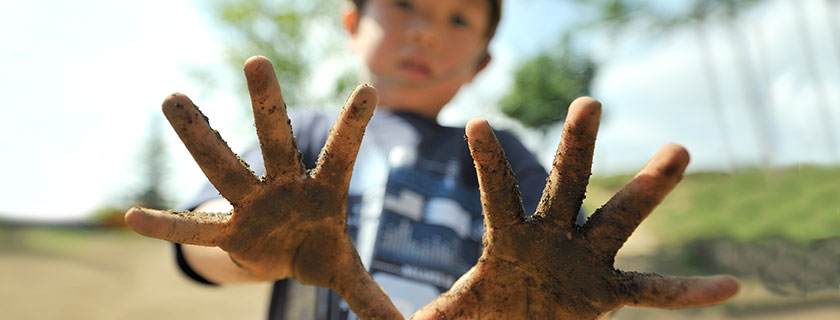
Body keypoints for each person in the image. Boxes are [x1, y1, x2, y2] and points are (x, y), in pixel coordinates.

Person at [125, 0, 739, 319]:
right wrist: (241, 247)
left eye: (458, 18)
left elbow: (553, 271)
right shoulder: (303, 136)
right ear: (352, 22)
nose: (425, 32)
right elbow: (197, 248)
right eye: (405, 6)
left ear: (481, 63)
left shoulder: (502, 159)